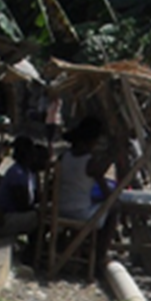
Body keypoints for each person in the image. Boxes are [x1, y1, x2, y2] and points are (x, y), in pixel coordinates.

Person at [57, 116, 125, 271]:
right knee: (113, 209)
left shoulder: (64, 156)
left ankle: (76, 248)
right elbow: (107, 193)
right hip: (78, 212)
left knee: (96, 204)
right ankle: (100, 256)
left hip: (60, 207)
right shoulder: (90, 162)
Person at [0, 135, 42, 238]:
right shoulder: (17, 173)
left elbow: (36, 198)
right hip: (6, 218)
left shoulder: (28, 173)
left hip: (14, 216)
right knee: (39, 218)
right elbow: (22, 205)